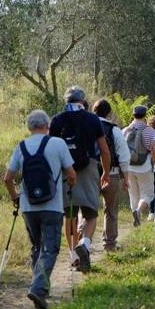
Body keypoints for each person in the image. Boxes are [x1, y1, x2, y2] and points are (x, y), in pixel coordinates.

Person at [4, 110, 76, 309]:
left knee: (37, 247)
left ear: (29, 127)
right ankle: (38, 288)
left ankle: (40, 286)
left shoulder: (21, 146)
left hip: (28, 206)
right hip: (52, 206)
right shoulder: (58, 144)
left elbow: (7, 178)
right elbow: (71, 173)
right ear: (47, 125)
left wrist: (15, 198)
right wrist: (70, 185)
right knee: (50, 248)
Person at [49, 86, 111, 273]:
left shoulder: (58, 120)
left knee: (70, 214)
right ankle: (84, 244)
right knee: (91, 214)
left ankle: (73, 256)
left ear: (66, 101)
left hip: (65, 170)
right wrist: (105, 173)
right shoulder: (92, 119)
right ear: (83, 101)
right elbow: (104, 150)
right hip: (88, 167)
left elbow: (51, 149)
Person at [92, 99, 130, 251]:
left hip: (90, 174)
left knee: (87, 209)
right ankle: (109, 244)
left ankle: (83, 241)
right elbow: (124, 156)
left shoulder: (87, 127)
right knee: (111, 210)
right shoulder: (114, 130)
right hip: (112, 174)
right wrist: (126, 178)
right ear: (109, 113)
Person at [123, 105, 155, 226]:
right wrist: (152, 163)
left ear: (133, 115)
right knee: (148, 194)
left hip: (129, 167)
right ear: (145, 115)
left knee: (133, 194)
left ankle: (135, 214)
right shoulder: (150, 131)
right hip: (144, 167)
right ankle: (138, 211)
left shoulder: (125, 130)